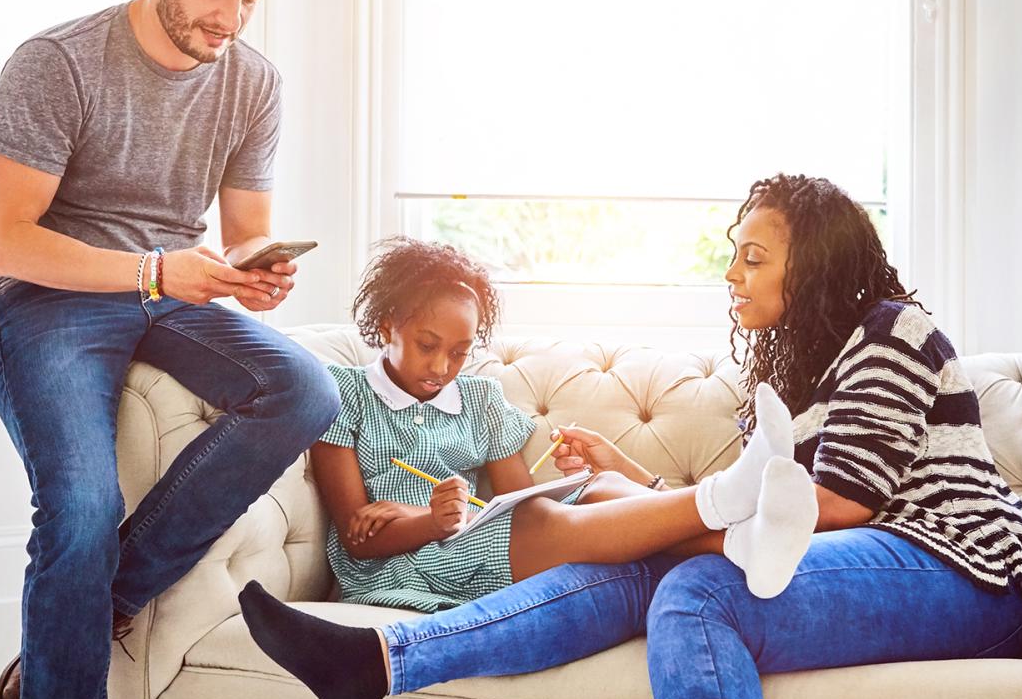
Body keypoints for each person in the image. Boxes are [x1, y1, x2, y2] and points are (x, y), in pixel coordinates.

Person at [238, 174, 1022, 699]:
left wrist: (678, 516)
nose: (732, 272)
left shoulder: (889, 329)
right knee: (636, 565)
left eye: (754, 257)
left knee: (697, 588)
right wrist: (639, 485)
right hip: (844, 552)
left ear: (818, 265)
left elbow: (838, 503)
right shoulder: (796, 371)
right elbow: (766, 515)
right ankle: (380, 661)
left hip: (961, 567)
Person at [0, 0, 340, 699]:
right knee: (81, 512)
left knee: (304, 388)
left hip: (168, 290)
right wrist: (153, 273)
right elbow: (8, 240)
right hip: (42, 300)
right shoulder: (56, 63)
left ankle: (91, 610)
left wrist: (256, 273)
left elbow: (242, 232)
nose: (232, 18)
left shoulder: (252, 81)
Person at [293, 235, 815, 624]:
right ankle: (727, 500)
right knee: (550, 520)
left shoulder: (479, 398)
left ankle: (739, 540)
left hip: (478, 534)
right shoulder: (345, 395)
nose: (443, 367)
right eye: (428, 345)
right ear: (388, 325)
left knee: (601, 487)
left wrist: (567, 486)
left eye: (458, 352)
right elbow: (360, 539)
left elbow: (521, 501)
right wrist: (428, 520)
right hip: (411, 559)